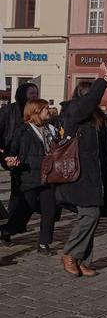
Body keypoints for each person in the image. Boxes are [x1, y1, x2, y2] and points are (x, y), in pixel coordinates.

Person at [58, 63, 107, 277]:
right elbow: (86, 105)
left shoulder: (96, 118)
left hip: (96, 175)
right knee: (89, 215)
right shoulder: (72, 111)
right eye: (92, 95)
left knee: (93, 215)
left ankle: (83, 260)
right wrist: (103, 80)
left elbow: (106, 145)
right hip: (78, 173)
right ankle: (70, 253)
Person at [0, 99, 58, 254]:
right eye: (45, 108)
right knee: (27, 208)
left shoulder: (51, 129)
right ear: (35, 111)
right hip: (29, 175)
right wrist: (10, 162)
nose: (48, 110)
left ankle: (44, 244)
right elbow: (11, 151)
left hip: (49, 176)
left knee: (49, 210)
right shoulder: (23, 130)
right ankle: (7, 230)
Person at [0, 82, 39, 223]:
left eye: (36, 93)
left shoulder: (36, 111)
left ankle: (14, 223)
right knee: (18, 192)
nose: (35, 96)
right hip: (13, 155)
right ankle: (9, 226)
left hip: (31, 158)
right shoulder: (8, 111)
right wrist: (4, 154)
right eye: (32, 93)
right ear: (23, 95)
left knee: (25, 193)